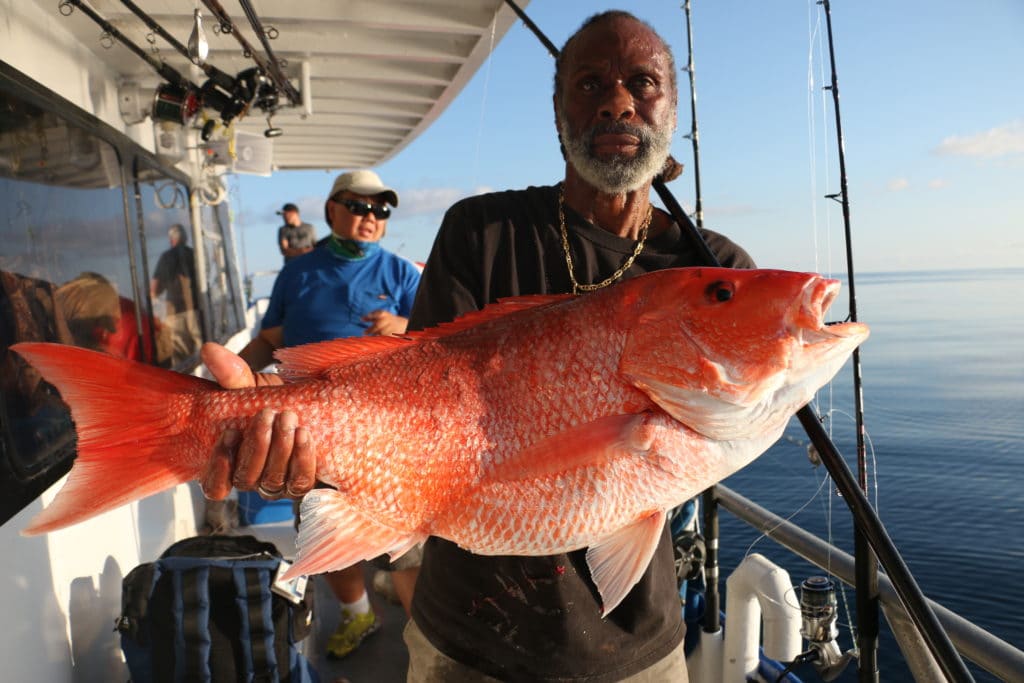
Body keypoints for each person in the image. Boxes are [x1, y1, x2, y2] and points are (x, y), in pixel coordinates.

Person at [200, 10, 754, 680]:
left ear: (671, 106)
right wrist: (276, 427)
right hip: (463, 639)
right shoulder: (481, 230)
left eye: (643, 81)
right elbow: (415, 391)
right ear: (557, 113)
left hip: (637, 648)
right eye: (588, 85)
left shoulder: (711, 269)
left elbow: (710, 434)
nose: (616, 100)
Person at [235, 169, 422, 661]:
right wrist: (224, 385)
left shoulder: (402, 274)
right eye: (359, 206)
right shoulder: (298, 272)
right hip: (308, 432)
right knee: (324, 526)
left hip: (390, 431)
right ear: (331, 210)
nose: (371, 217)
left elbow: (442, 343)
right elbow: (270, 340)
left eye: (381, 210)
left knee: (409, 534)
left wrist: (402, 325)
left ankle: (425, 633)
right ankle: (358, 612)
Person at [150, 224, 201, 364]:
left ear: (171, 240)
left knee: (181, 357)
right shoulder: (194, 254)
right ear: (185, 238)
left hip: (175, 313)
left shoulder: (166, 257)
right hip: (195, 310)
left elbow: (154, 288)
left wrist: (154, 296)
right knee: (204, 350)